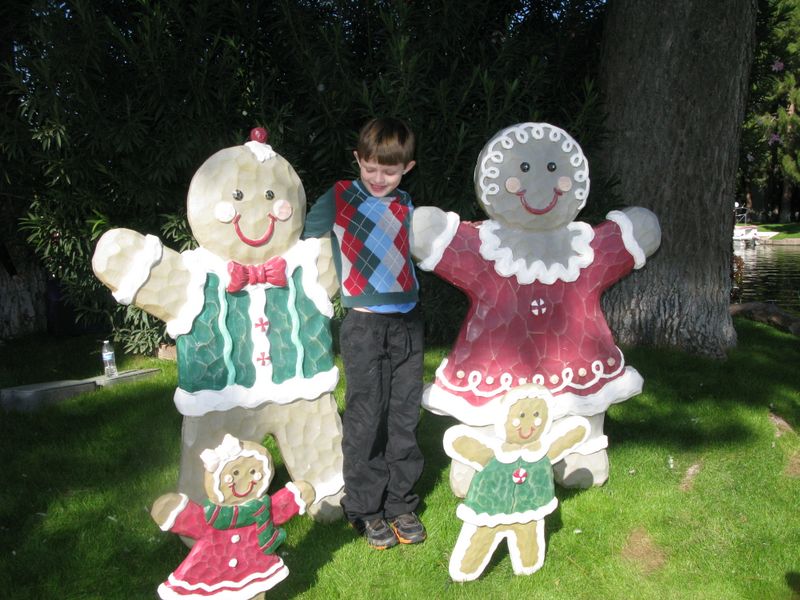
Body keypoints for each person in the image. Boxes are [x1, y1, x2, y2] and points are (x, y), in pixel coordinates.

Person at [302, 117, 426, 549]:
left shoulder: (408, 205)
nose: (379, 178)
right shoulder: (339, 197)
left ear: (406, 169)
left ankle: (401, 504)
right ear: (358, 159)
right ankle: (366, 508)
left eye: (389, 171)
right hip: (364, 326)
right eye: (371, 167)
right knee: (366, 417)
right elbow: (301, 238)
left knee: (405, 416)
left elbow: (428, 250)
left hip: (407, 322)